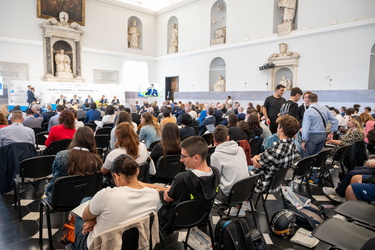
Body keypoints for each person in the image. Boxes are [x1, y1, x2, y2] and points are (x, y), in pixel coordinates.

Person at [74, 154, 159, 249]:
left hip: (100, 246)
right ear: (138, 171)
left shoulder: (106, 195)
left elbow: (86, 217)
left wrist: (93, 221)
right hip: (137, 244)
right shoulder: (154, 195)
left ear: (116, 176)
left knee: (81, 213)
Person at [157, 136, 220, 230]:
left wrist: (162, 194)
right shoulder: (215, 173)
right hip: (200, 217)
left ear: (196, 158)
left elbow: (168, 200)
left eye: (183, 156)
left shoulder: (181, 178)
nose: (180, 160)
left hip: (175, 221)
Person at [45, 127, 102, 202]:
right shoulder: (96, 160)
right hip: (85, 199)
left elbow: (55, 177)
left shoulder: (61, 155)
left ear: (75, 138)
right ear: (92, 140)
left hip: (60, 199)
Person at [250, 115, 301, 193]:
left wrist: (254, 158)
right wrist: (257, 157)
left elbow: (256, 163)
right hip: (275, 183)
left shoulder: (276, 150)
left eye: (278, 126)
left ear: (281, 128)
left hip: (262, 183)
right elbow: (263, 157)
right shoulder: (292, 146)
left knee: (239, 169)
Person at [211, 125, 249, 216]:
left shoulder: (216, 155)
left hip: (229, 195)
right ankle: (238, 206)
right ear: (228, 138)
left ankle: (234, 207)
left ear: (214, 141)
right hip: (246, 190)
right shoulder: (240, 149)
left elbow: (215, 179)